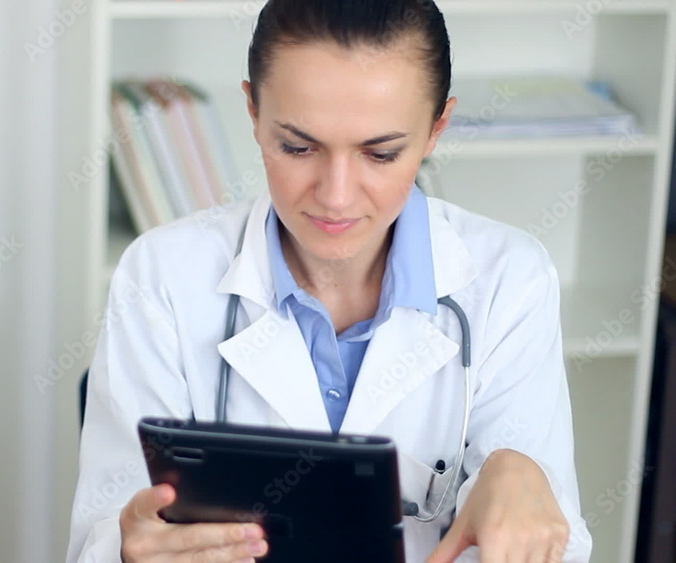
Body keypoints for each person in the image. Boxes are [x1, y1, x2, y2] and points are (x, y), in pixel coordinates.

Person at [68, 0, 592, 561]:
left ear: (437, 128)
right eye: (298, 146)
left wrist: (524, 482)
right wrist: (129, 551)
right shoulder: (162, 276)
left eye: (381, 152)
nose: (336, 196)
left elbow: (555, 540)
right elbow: (102, 535)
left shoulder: (510, 282)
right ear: (252, 111)